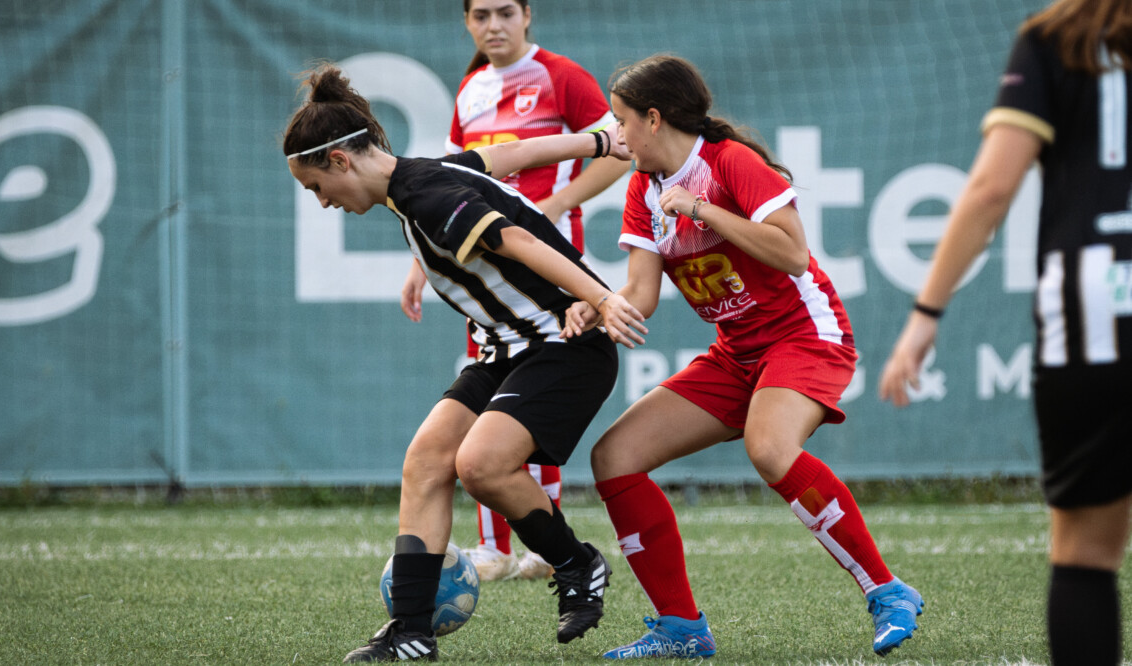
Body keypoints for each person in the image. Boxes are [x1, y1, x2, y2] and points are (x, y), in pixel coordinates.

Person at [560, 54, 924, 659]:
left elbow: (793, 255)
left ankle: (887, 591)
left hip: (805, 335)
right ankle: (681, 629)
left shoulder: (731, 163)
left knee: (769, 448)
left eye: (621, 121)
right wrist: (597, 306)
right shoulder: (641, 189)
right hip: (737, 353)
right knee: (615, 458)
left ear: (653, 119)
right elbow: (642, 293)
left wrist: (702, 209)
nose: (615, 136)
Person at [283, 64, 645, 662]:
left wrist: (601, 299)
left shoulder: (427, 196)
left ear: (341, 162)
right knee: (426, 460)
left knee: (480, 464)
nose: (322, 202)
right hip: (507, 347)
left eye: (315, 187)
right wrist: (597, 142)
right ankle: (411, 631)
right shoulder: (422, 177)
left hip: (564, 344)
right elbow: (507, 158)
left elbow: (520, 240)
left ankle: (578, 564)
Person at [879, 1, 1132, 663]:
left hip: (1094, 313)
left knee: (1086, 552)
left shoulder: (1060, 38)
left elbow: (992, 188)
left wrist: (925, 315)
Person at [400, 0, 632, 583]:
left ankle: (538, 547)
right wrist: (419, 265)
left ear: (528, 15)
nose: (493, 25)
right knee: (495, 383)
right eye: (480, 15)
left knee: (532, 392)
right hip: (480, 261)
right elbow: (451, 176)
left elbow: (618, 147)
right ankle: (492, 547)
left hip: (546, 262)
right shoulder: (471, 88)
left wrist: (554, 205)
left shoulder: (561, 75)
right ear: (467, 23)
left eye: (505, 12)